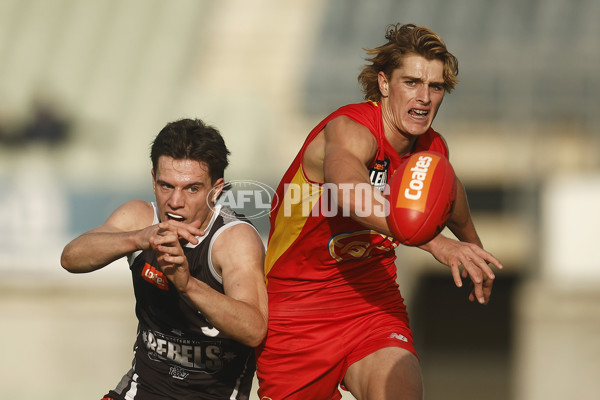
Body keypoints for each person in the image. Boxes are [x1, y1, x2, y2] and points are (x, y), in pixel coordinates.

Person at [255, 23, 503, 400]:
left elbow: (451, 195)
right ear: (385, 84)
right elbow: (351, 195)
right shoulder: (350, 129)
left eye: (435, 87)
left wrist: (474, 248)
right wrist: (437, 244)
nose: (424, 98)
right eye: (412, 83)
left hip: (372, 302)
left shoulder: (432, 148)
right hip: (297, 310)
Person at [61, 118, 268, 400]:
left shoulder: (234, 240)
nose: (174, 201)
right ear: (153, 180)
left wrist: (187, 285)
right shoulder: (140, 218)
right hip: (139, 391)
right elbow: (70, 258)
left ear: (216, 190)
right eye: (166, 186)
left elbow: (254, 329)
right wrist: (138, 238)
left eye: (192, 189)